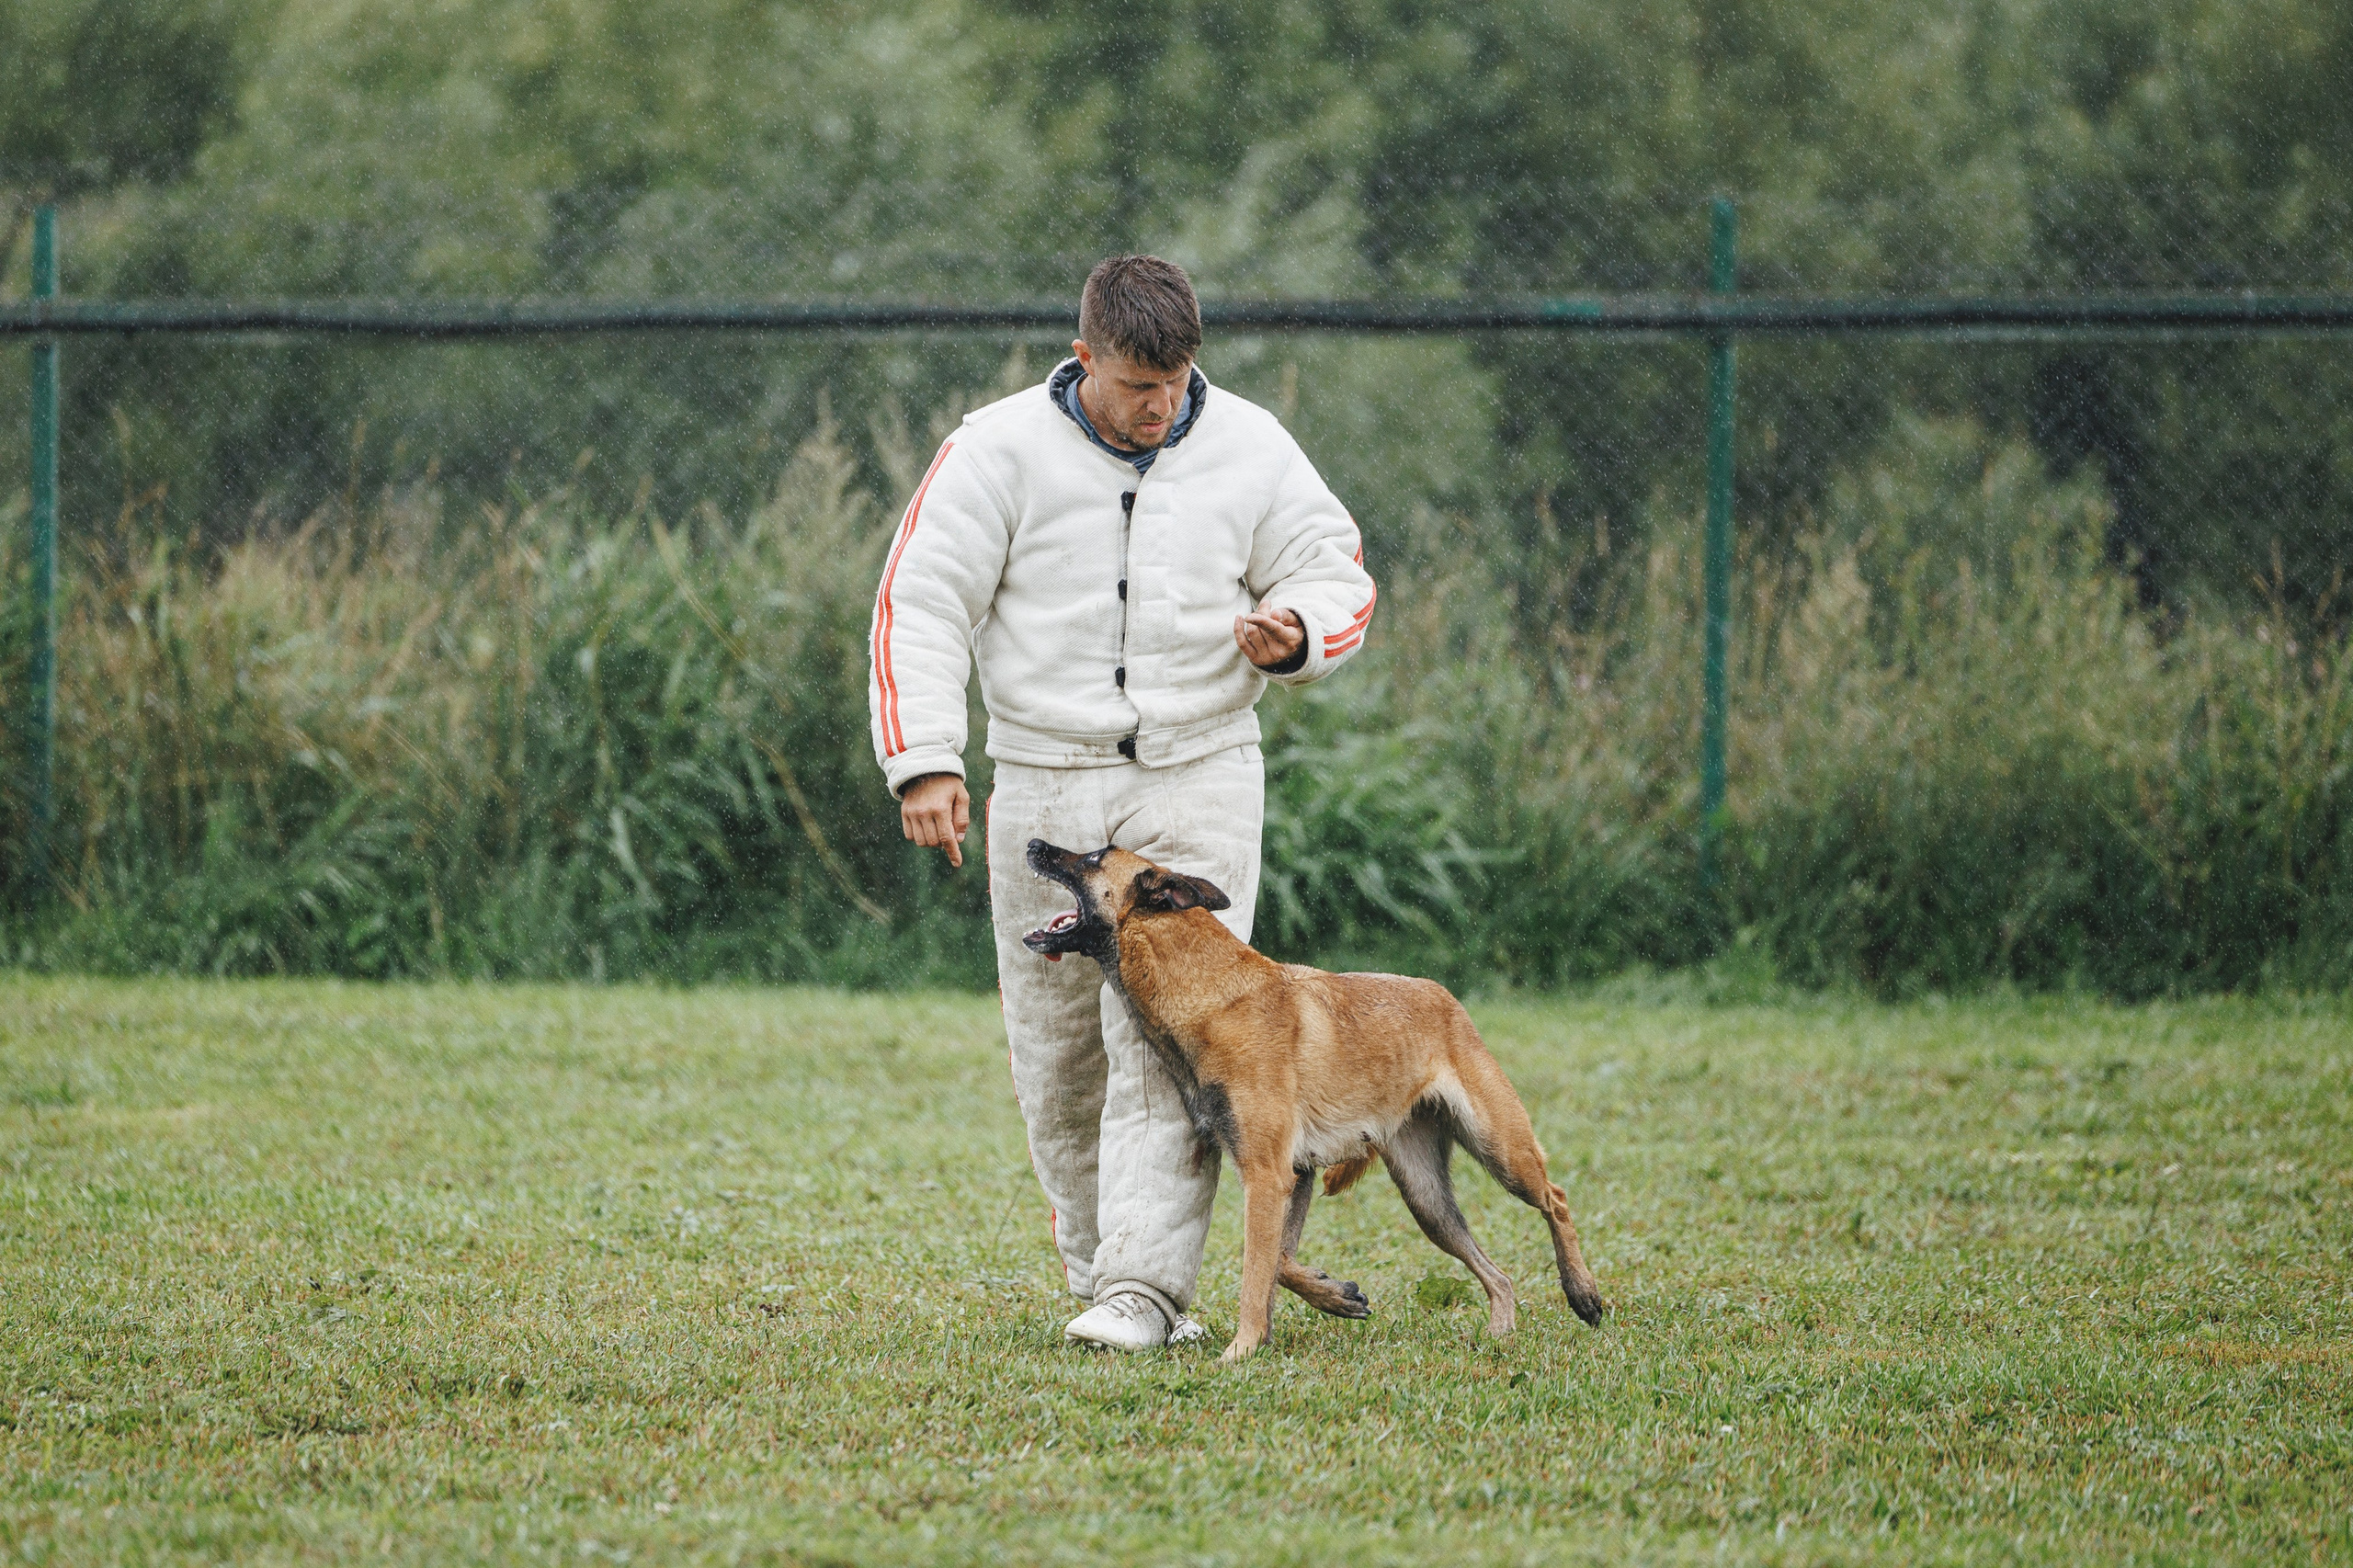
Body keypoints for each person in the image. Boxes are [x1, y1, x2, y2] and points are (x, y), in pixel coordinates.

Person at [869, 254, 1376, 1349]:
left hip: (1199, 770)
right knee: (1058, 1055)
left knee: (1183, 1045)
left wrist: (1296, 629)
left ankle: (1147, 1292)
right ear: (1083, 353)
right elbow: (919, 599)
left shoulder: (1248, 444)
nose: (1159, 407)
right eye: (1137, 384)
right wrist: (925, 759)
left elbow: (1336, 569)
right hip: (1046, 777)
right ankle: (1100, 1272)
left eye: (1176, 381)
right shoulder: (993, 449)